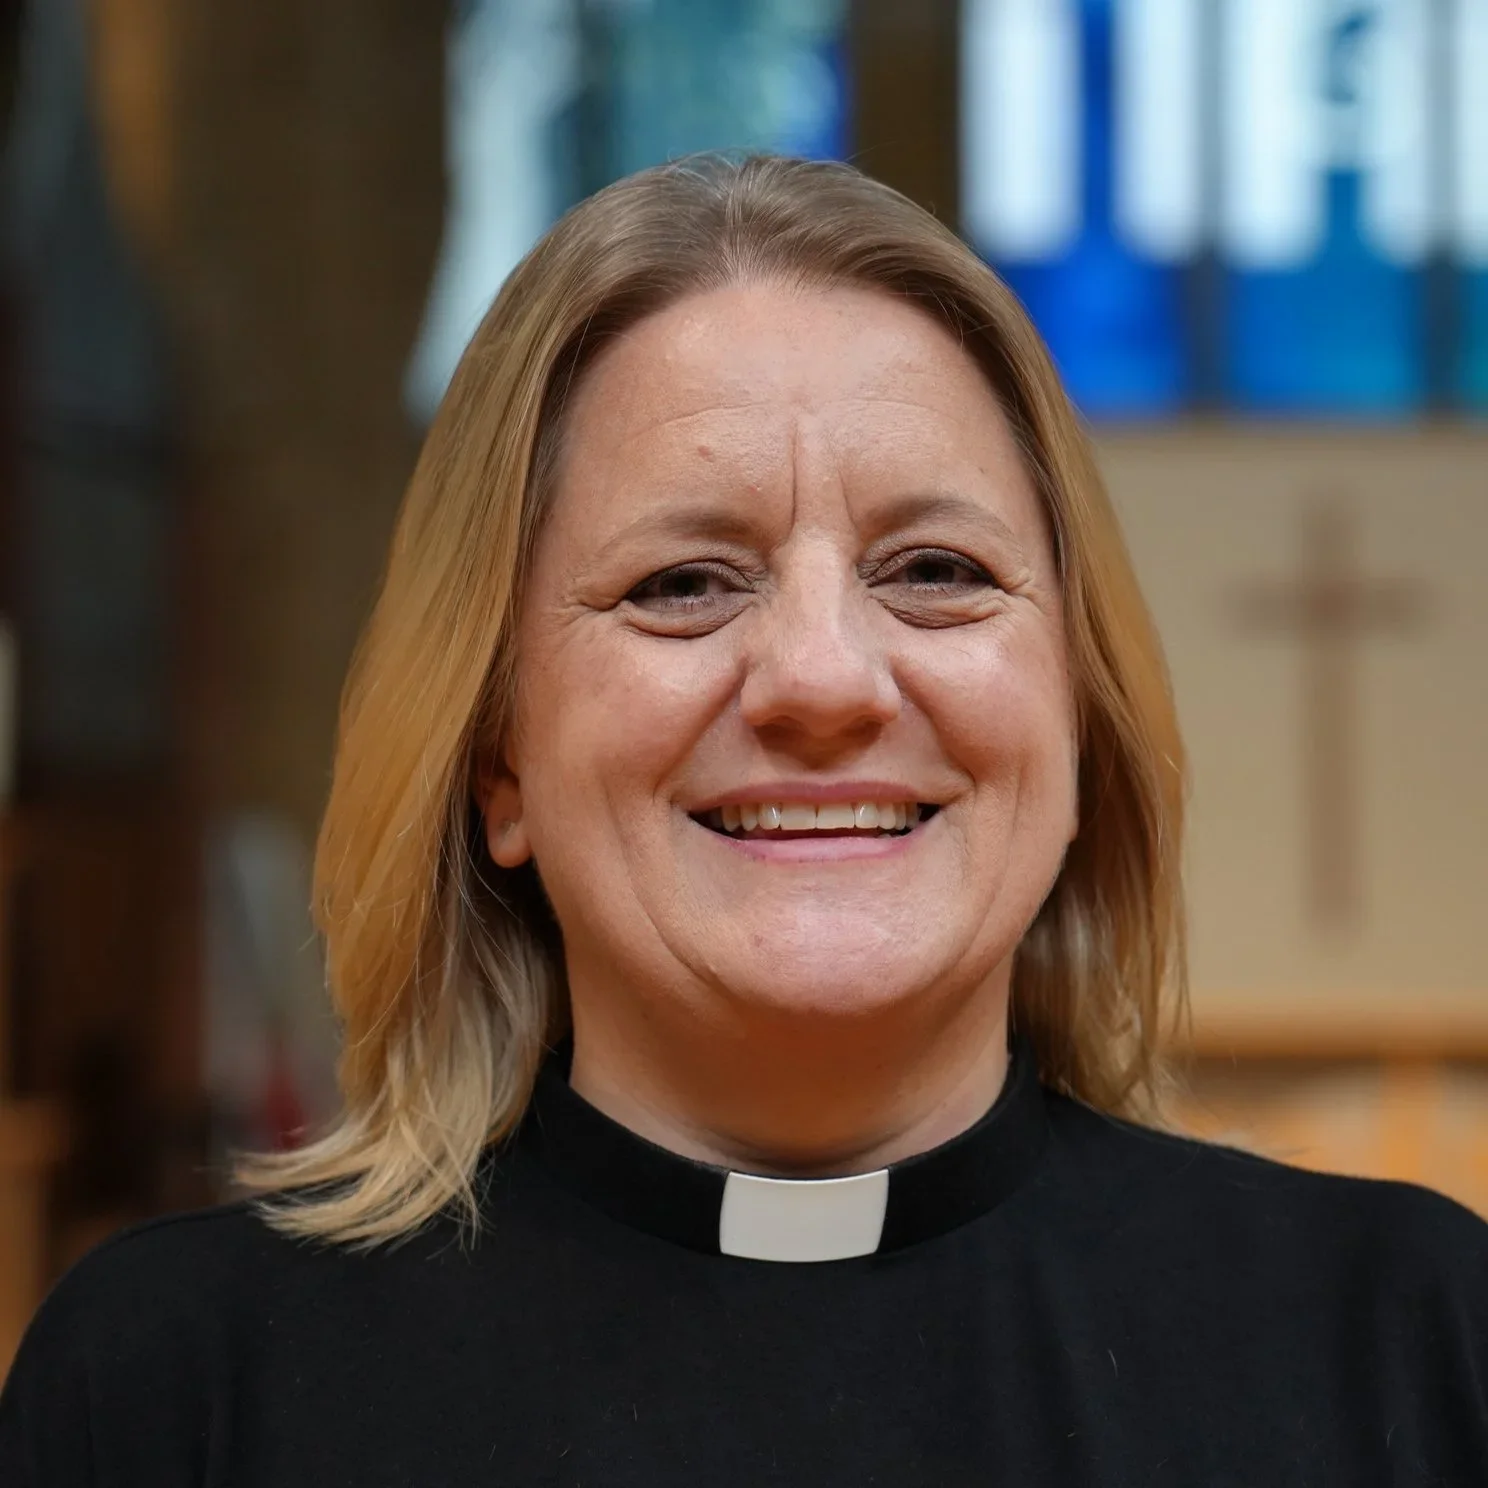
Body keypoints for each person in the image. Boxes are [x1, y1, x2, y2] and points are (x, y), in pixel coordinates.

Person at [2, 154, 1485, 1485]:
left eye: (937, 569)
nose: (824, 681)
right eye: (682, 584)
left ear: (1075, 716)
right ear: (497, 759)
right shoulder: (179, 1393)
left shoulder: (1409, 1348)